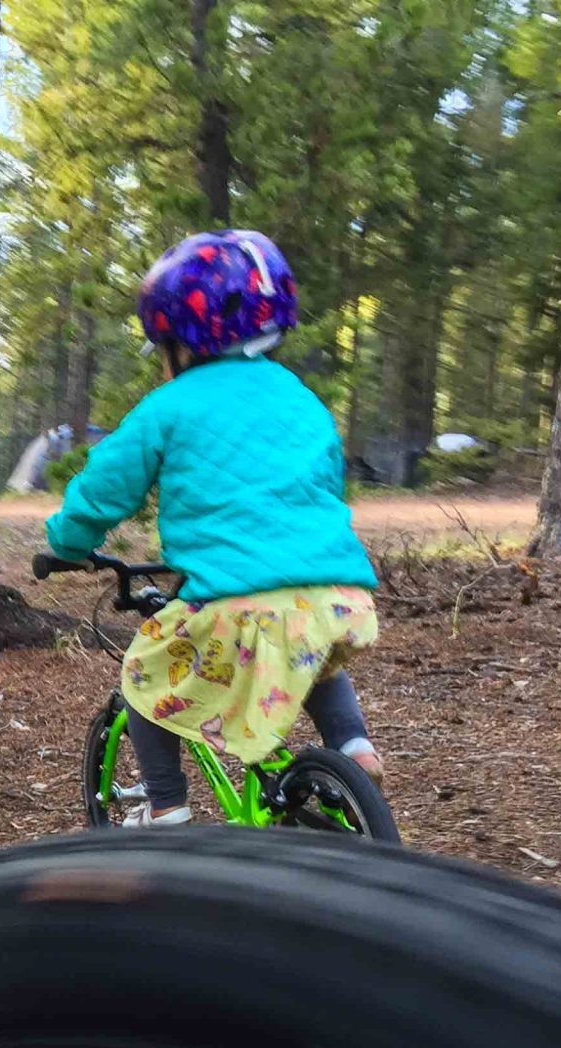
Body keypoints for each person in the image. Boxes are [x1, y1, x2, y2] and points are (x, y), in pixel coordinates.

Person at [40, 230, 381, 827]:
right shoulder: (303, 400)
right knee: (313, 652)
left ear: (177, 340)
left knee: (145, 673)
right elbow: (324, 481)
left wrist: (67, 541)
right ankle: (352, 745)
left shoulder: (168, 406)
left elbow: (103, 490)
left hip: (234, 603)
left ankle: (167, 805)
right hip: (335, 596)